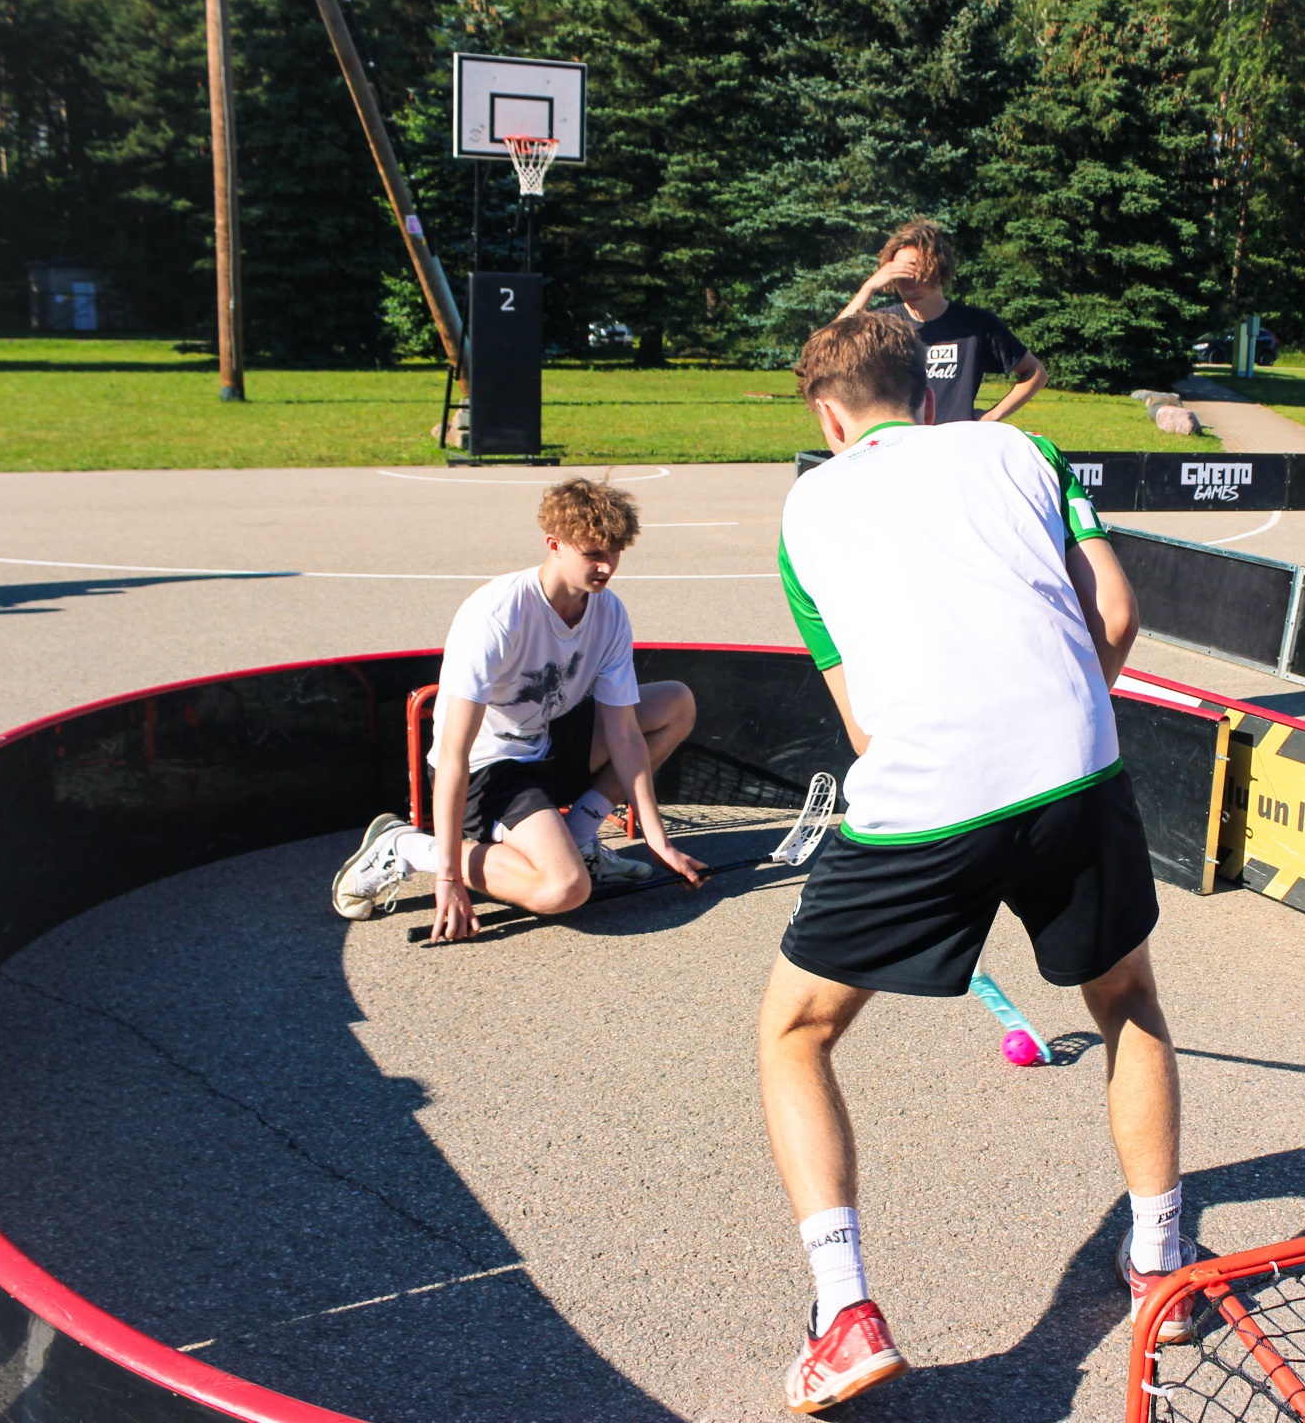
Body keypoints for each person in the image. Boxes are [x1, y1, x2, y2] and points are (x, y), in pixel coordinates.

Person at [763, 312, 1184, 1412]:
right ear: (928, 392)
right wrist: (1055, 716)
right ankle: (1161, 1264)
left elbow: (864, 730)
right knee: (1127, 1000)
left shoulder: (805, 510)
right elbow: (1118, 613)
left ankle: (845, 1313)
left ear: (829, 416)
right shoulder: (1022, 449)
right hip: (1076, 765)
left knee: (797, 1033)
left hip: (928, 796)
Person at [330, 480, 707, 940]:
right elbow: (453, 753)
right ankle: (408, 847)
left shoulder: (609, 612)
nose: (606, 566)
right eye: (592, 554)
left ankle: (578, 838)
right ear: (554, 544)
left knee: (675, 703)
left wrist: (658, 840)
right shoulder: (496, 615)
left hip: (547, 738)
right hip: (488, 767)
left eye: (614, 552)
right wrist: (448, 878)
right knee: (564, 889)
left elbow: (624, 735)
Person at [836, 217, 1048, 426]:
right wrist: (869, 287)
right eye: (900, 276)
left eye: (917, 273)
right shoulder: (886, 325)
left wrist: (992, 416)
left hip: (957, 442)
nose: (909, 286)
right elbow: (830, 349)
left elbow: (1035, 373)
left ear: (938, 269)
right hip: (901, 442)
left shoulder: (976, 325)